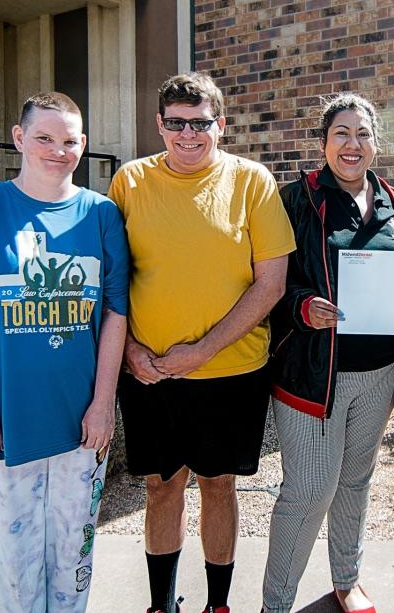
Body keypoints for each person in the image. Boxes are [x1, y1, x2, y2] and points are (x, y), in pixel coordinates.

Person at [0, 91, 129, 612]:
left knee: (73, 561)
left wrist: (103, 403)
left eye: (68, 141)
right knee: (14, 568)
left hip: (81, 425)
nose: (56, 150)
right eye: (44, 137)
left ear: (83, 146)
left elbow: (115, 314)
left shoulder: (101, 214)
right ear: (19, 138)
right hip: (2, 424)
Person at [108, 72, 295, 613]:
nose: (188, 134)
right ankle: (161, 604)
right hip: (148, 374)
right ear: (160, 125)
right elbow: (110, 277)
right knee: (161, 488)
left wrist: (200, 351)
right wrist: (128, 351)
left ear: (221, 124)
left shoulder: (251, 181)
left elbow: (271, 284)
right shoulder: (129, 182)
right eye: (176, 123)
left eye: (201, 123)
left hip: (230, 374)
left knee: (218, 487)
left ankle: (218, 604)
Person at [264, 93, 394, 613]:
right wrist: (301, 307)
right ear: (324, 142)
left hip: (379, 373)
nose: (352, 145)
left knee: (356, 480)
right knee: (308, 492)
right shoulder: (294, 201)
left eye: (363, 134)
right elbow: (263, 283)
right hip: (313, 376)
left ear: (376, 143)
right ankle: (276, 603)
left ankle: (346, 580)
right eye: (341, 134)